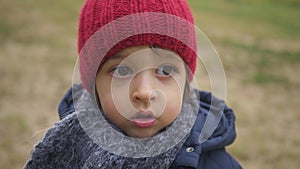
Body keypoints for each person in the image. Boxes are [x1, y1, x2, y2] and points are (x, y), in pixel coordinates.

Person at [25, 0, 242, 168]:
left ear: (186, 79)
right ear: (93, 86)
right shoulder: (67, 150)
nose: (144, 92)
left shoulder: (217, 165)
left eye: (165, 71)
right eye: (122, 70)